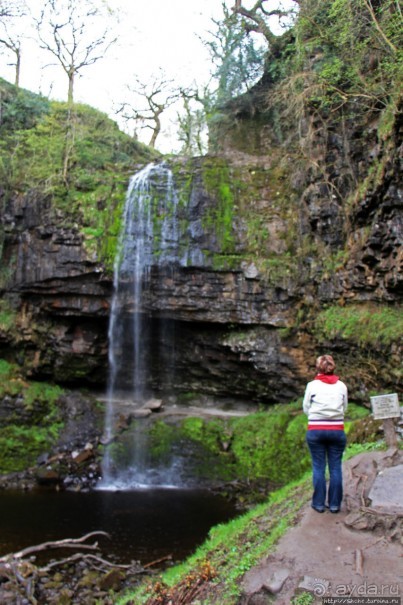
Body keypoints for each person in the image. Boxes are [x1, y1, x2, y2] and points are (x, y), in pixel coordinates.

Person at [303, 354, 348, 513]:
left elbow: (306, 407)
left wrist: (317, 416)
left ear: (318, 368)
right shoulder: (341, 386)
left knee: (318, 467)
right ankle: (335, 505)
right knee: (335, 467)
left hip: (316, 430)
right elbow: (345, 407)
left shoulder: (312, 386)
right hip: (337, 430)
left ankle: (319, 503)